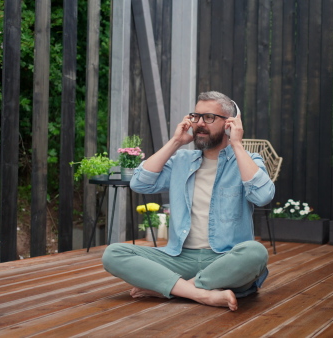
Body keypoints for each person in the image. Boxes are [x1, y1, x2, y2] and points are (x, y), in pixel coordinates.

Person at [102, 91, 275, 311]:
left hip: (225, 260)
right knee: (114, 253)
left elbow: (263, 196)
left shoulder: (247, 161)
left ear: (229, 124)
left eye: (209, 117)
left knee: (256, 253)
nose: (200, 123)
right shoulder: (181, 161)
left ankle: (173, 289)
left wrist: (237, 145)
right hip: (179, 258)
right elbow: (139, 183)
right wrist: (176, 142)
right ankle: (203, 294)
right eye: (196, 116)